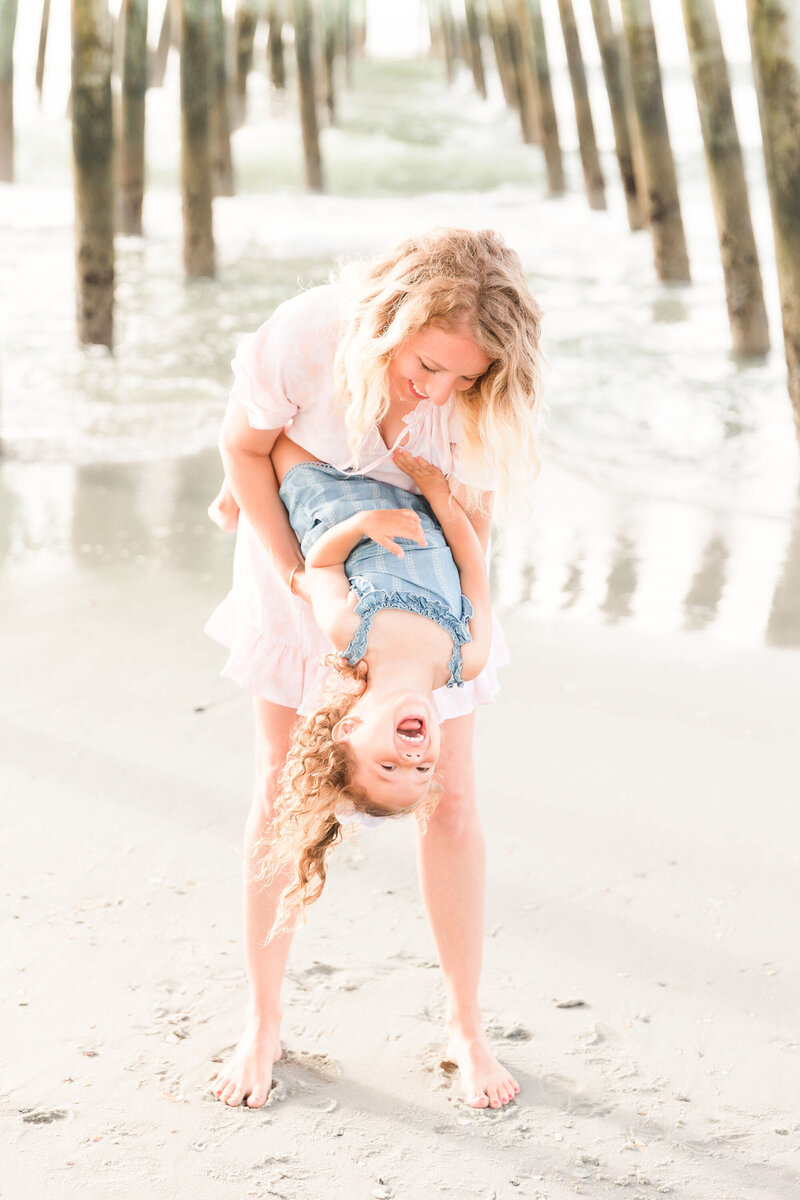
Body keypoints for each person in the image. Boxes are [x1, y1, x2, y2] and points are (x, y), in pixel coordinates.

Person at [205, 227, 544, 1110]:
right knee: (285, 783)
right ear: (392, 320)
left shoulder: (479, 399)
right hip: (302, 554)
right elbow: (246, 445)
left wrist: (446, 549)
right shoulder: (310, 334)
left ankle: (466, 1025)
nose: (438, 389)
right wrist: (293, 567)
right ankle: (263, 1017)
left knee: (456, 798)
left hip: (423, 570)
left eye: (462, 379)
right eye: (428, 365)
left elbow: (473, 528)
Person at [258, 435, 494, 935]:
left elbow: (320, 565)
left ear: (349, 727)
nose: (412, 759)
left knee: (277, 440)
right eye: (422, 768)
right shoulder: (466, 658)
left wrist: (361, 525)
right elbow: (474, 566)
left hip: (325, 495)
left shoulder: (352, 634)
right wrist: (440, 495)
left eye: (389, 765)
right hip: (414, 498)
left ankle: (237, 489)